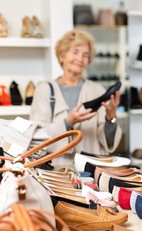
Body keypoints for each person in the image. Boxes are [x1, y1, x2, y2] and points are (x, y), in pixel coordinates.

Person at [30, 29, 122, 166]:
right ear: (62, 56)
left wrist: (111, 118)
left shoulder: (97, 91)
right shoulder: (45, 90)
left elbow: (108, 142)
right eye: (75, 52)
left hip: (91, 172)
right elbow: (37, 137)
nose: (80, 58)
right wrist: (68, 122)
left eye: (85, 55)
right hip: (55, 173)